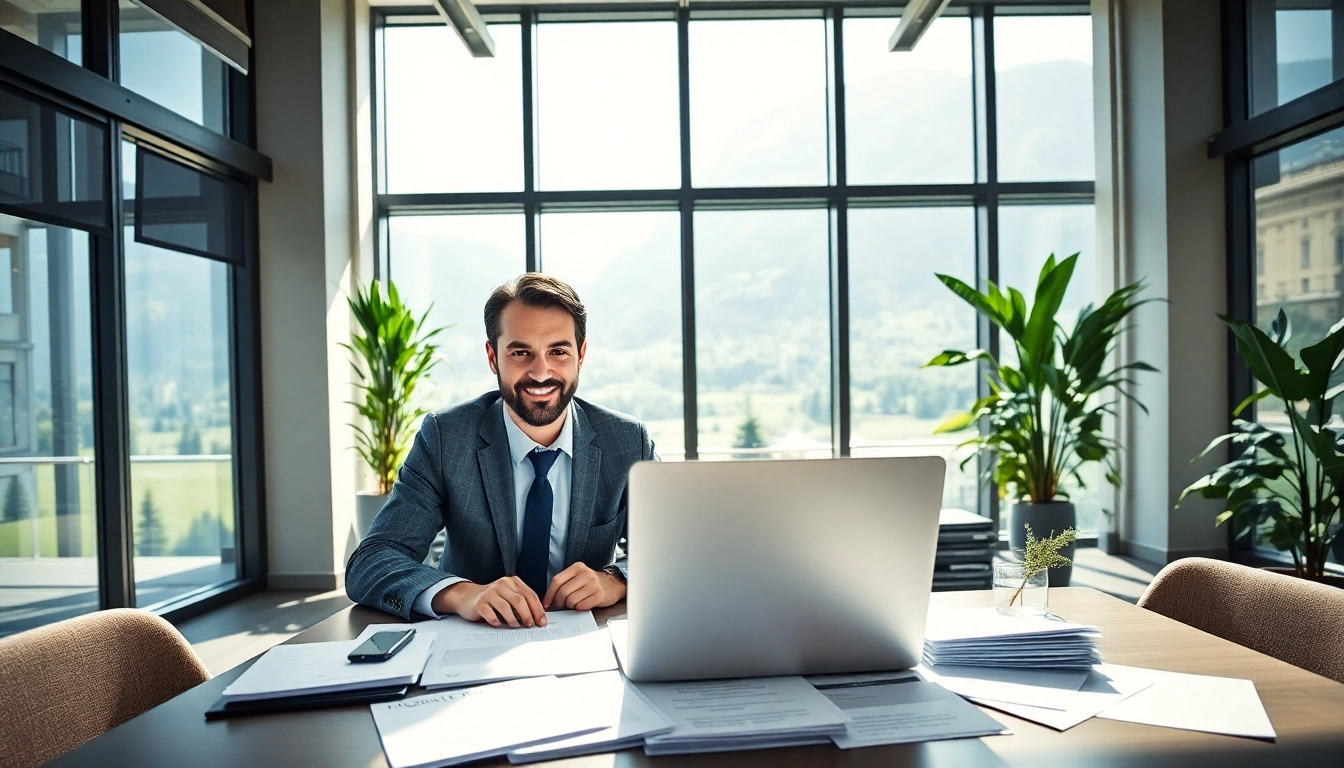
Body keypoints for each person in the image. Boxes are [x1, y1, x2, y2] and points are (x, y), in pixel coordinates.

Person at [345, 273, 656, 628]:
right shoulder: (447, 438)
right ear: (493, 357)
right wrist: (463, 594)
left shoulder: (628, 441)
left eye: (558, 351)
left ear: (581, 355)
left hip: (587, 644)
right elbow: (372, 560)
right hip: (472, 646)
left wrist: (615, 579)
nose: (541, 372)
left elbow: (673, 548)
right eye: (521, 352)